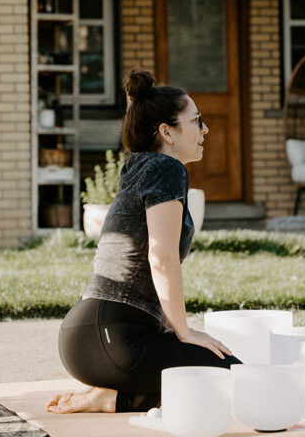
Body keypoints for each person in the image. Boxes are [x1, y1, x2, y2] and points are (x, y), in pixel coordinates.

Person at [47, 69, 239, 414]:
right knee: (237, 379)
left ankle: (111, 393)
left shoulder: (141, 166)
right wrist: (184, 332)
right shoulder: (166, 168)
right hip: (113, 338)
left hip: (93, 334)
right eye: (197, 121)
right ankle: (112, 398)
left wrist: (174, 332)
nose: (205, 129)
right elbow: (162, 256)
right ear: (167, 132)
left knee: (226, 373)